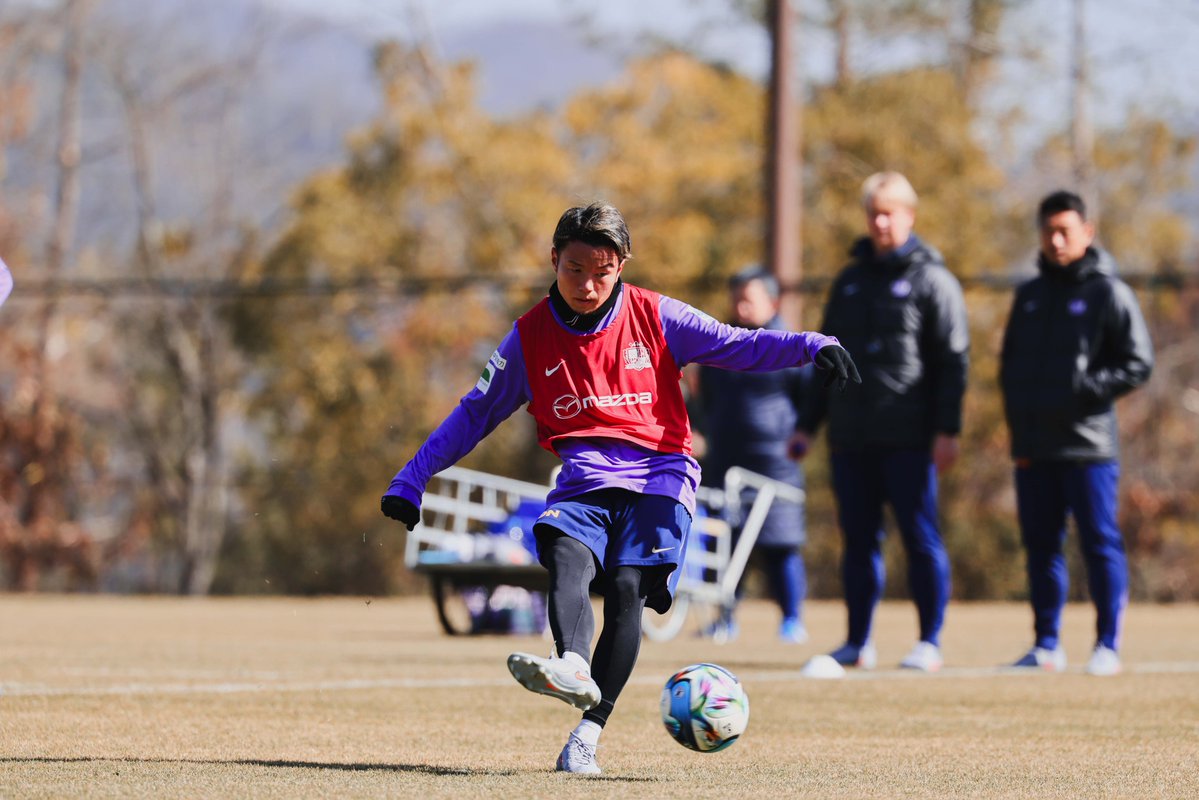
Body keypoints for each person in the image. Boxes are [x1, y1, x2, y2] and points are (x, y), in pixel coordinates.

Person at [381, 202, 859, 774]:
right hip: (584, 481)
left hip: (662, 476)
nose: (587, 284)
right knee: (562, 548)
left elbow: (738, 344)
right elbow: (475, 413)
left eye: (602, 271)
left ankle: (587, 734)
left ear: (622, 265)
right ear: (554, 260)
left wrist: (813, 343)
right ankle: (573, 665)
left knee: (628, 587)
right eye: (574, 268)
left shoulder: (657, 316)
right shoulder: (528, 338)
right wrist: (412, 478)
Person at [794, 172, 969, 673]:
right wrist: (808, 425)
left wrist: (947, 431)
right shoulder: (849, 282)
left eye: (890, 211)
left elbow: (953, 361)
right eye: (874, 212)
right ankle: (856, 643)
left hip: (911, 439)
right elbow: (824, 358)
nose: (881, 220)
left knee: (920, 537)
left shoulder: (933, 280)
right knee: (858, 541)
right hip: (852, 437)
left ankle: (929, 641)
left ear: (910, 216)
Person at [999, 190, 1153, 677]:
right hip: (1035, 446)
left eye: (1067, 230)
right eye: (1049, 231)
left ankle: (1107, 644)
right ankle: (1046, 645)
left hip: (1088, 445)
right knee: (1041, 546)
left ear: (1088, 232)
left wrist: (1085, 389)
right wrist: (1020, 424)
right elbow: (1010, 368)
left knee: (1098, 541)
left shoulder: (1109, 292)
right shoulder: (1029, 296)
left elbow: (1138, 362)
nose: (1057, 239)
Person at [695, 266, 813, 644]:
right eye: (737, 297)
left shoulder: (789, 345)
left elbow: (808, 400)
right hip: (725, 460)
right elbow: (703, 401)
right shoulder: (720, 345)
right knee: (726, 545)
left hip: (776, 463)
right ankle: (725, 619)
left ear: (772, 301)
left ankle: (792, 621)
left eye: (749, 297)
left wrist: (802, 435)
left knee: (781, 545)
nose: (741, 305)